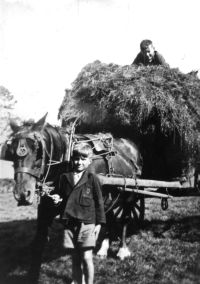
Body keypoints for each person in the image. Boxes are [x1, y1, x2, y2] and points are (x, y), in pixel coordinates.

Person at [51, 142, 106, 284]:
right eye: (76, 158)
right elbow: (61, 196)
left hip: (87, 223)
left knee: (87, 257)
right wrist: (58, 199)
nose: (79, 162)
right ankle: (77, 281)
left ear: (89, 161)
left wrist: (99, 224)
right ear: (72, 159)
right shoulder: (64, 178)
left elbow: (99, 202)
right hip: (69, 224)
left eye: (83, 159)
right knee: (75, 258)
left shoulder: (92, 179)